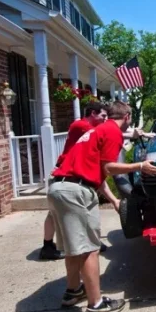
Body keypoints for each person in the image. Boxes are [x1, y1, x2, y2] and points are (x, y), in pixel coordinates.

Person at [47, 101, 156, 312]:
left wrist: (114, 200)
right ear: (127, 116)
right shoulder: (112, 131)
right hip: (75, 192)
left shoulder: (96, 131)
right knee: (90, 248)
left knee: (73, 248)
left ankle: (73, 291)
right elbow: (109, 168)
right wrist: (140, 166)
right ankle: (96, 304)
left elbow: (97, 171)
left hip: (58, 187)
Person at [39, 102, 112, 261]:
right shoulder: (80, 125)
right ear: (93, 113)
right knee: (54, 213)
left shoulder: (87, 127)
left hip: (70, 170)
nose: (105, 120)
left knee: (80, 210)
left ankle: (91, 241)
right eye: (103, 116)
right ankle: (47, 246)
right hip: (65, 172)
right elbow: (104, 134)